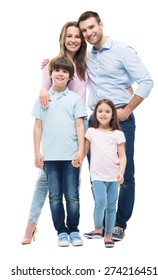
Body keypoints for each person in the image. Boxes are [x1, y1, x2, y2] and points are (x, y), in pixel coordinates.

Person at [77, 11, 154, 241]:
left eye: (92, 27)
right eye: (84, 31)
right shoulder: (87, 57)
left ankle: (120, 224)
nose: (89, 33)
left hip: (120, 120)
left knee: (124, 173)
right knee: (97, 173)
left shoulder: (122, 49)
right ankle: (101, 225)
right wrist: (47, 65)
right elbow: (67, 64)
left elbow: (147, 81)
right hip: (95, 121)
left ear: (101, 24)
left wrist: (128, 108)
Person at [21, 21, 88, 245]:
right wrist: (37, 151)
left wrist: (125, 87)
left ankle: (86, 228)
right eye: (69, 35)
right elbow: (44, 92)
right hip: (54, 134)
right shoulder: (52, 63)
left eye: (77, 36)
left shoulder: (86, 63)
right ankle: (35, 226)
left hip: (79, 124)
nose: (73, 40)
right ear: (63, 37)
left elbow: (105, 78)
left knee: (77, 184)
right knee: (47, 185)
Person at [32, 56, 87, 247]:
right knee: (55, 196)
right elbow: (37, 127)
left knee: (72, 195)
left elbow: (80, 126)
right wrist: (37, 153)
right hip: (50, 157)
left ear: (70, 77)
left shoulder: (74, 99)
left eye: (65, 71)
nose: (61, 74)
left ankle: (73, 230)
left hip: (71, 156)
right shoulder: (43, 98)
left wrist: (80, 151)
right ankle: (61, 232)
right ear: (51, 74)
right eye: (57, 70)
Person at [72, 99, 126, 248]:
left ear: (112, 115)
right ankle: (98, 228)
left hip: (113, 176)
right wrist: (79, 160)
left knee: (111, 206)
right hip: (97, 175)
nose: (103, 114)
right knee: (101, 201)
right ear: (95, 114)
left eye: (107, 111)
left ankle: (108, 236)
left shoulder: (117, 134)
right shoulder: (91, 132)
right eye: (100, 111)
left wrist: (121, 172)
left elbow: (122, 156)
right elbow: (85, 151)